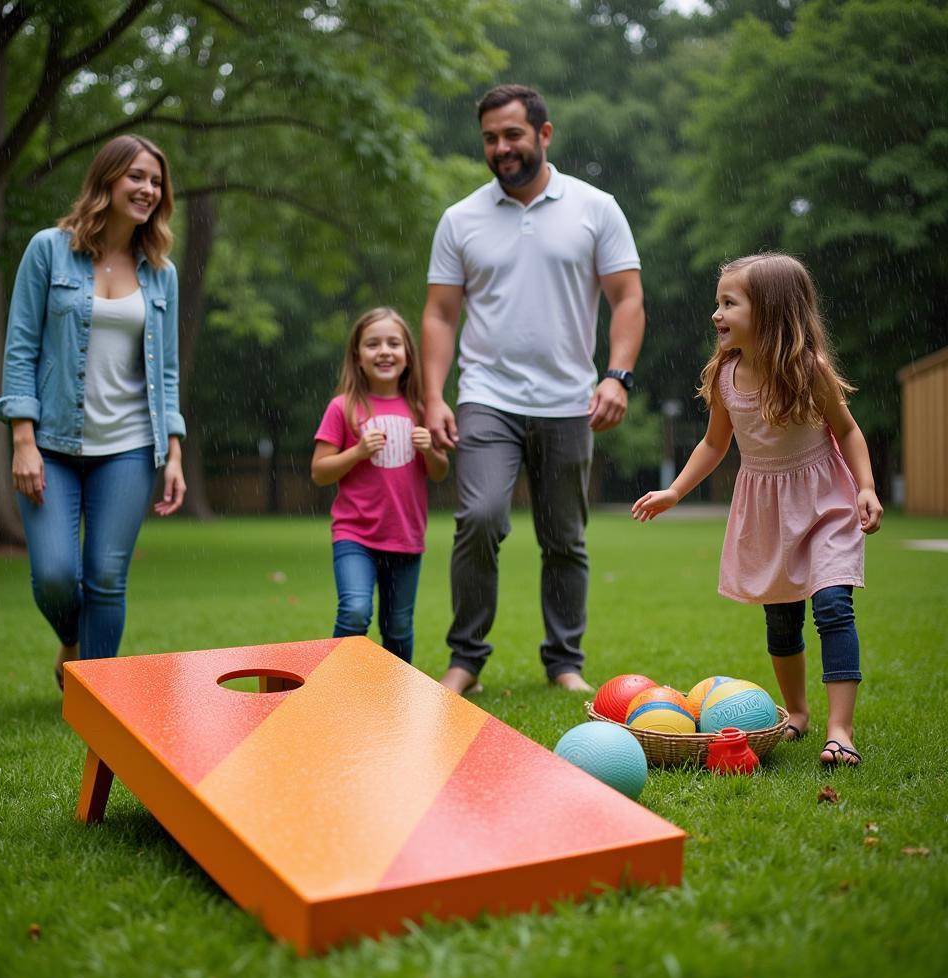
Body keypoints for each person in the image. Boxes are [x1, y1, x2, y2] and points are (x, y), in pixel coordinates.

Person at [422, 83, 645, 695]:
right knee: (480, 516)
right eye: (490, 138)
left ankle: (564, 663)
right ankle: (465, 659)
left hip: (570, 400)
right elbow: (440, 314)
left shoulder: (595, 208)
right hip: (486, 395)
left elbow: (628, 298)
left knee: (564, 537)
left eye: (513, 134)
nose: (501, 148)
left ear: (544, 135)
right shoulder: (460, 219)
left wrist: (617, 376)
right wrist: (435, 395)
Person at [632, 253, 882, 768]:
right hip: (767, 510)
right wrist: (674, 493)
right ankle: (797, 713)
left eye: (729, 303)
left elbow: (848, 430)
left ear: (769, 311)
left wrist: (866, 488)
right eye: (717, 302)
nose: (716, 314)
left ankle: (841, 730)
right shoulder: (726, 374)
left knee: (833, 607)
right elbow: (714, 444)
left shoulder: (808, 370)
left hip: (826, 502)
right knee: (782, 619)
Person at [0, 135, 186, 689]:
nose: (148, 189)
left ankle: (96, 699)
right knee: (55, 575)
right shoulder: (49, 250)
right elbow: (21, 346)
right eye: (137, 177)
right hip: (50, 443)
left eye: (156, 181)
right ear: (107, 179)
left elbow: (166, 372)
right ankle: (72, 642)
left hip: (128, 447)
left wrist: (172, 452)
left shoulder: (160, 273)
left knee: (105, 576)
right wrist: (22, 440)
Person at [312, 308, 449, 663]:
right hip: (354, 535)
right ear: (358, 357)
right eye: (373, 344)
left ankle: (396, 699)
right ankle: (337, 688)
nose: (384, 351)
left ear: (408, 355)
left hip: (404, 536)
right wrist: (357, 452)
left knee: (399, 627)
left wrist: (430, 450)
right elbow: (320, 472)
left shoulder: (421, 408)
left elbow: (439, 472)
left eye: (394, 343)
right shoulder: (342, 407)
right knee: (355, 611)